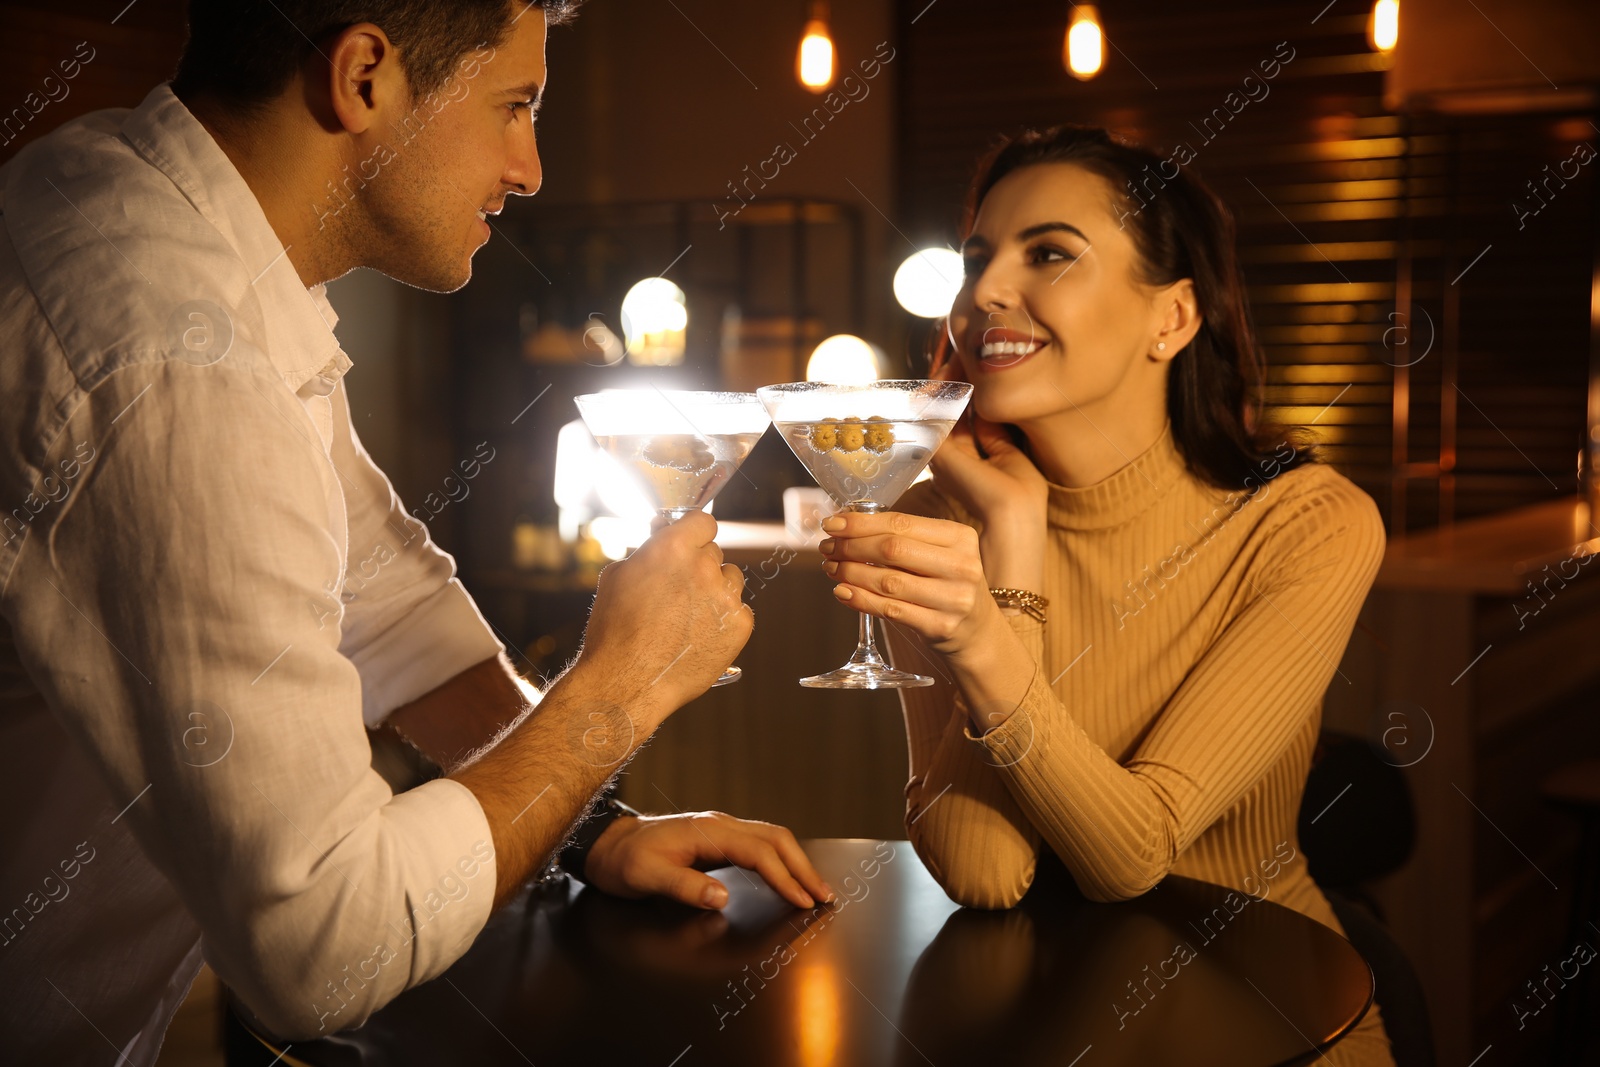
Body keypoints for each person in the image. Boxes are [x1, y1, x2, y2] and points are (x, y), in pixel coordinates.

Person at [0, 2, 832, 1062]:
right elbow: (319, 946)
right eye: (515, 106)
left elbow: (382, 599)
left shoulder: (119, 186)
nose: (531, 168)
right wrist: (611, 696)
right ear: (362, 78)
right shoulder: (174, 359)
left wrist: (589, 823)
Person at [820, 125, 1395, 1064]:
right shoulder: (943, 519)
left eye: (1048, 253)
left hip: (1275, 1015)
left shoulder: (1307, 523)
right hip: (1053, 1028)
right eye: (978, 258)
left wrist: (985, 636)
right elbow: (985, 868)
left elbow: (1135, 854)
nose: (986, 292)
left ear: (1172, 318)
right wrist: (1013, 537)